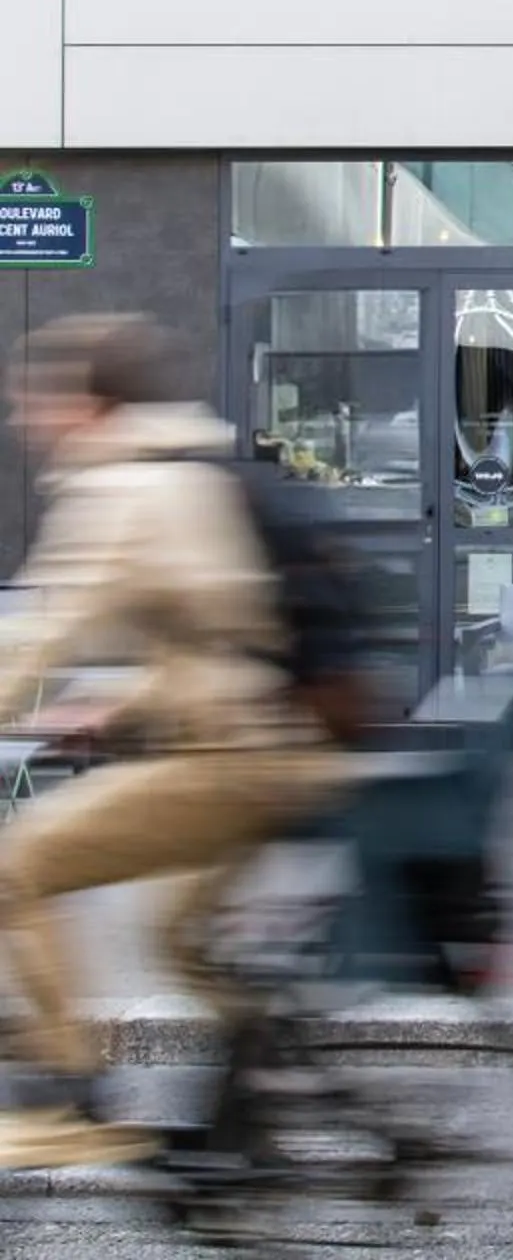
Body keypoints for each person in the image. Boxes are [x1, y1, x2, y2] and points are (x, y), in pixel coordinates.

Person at [0, 314, 348, 1169]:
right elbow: (222, 624)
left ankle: (70, 1096)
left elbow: (45, 631)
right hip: (278, 745)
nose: (21, 420)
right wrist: (116, 704)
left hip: (232, 761)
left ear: (89, 402)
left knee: (15, 869)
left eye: (35, 399)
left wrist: (33, 693)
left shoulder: (120, 488)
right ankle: (253, 1090)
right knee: (179, 940)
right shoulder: (185, 471)